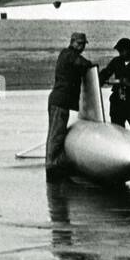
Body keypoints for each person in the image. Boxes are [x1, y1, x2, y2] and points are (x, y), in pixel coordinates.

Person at [46, 32, 95, 181]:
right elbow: (82, 63)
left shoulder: (69, 56)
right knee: (56, 135)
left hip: (61, 102)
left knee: (57, 134)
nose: (81, 47)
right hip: (60, 101)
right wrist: (92, 66)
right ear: (72, 42)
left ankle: (54, 164)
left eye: (83, 45)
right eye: (79, 44)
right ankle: (52, 166)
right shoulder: (68, 54)